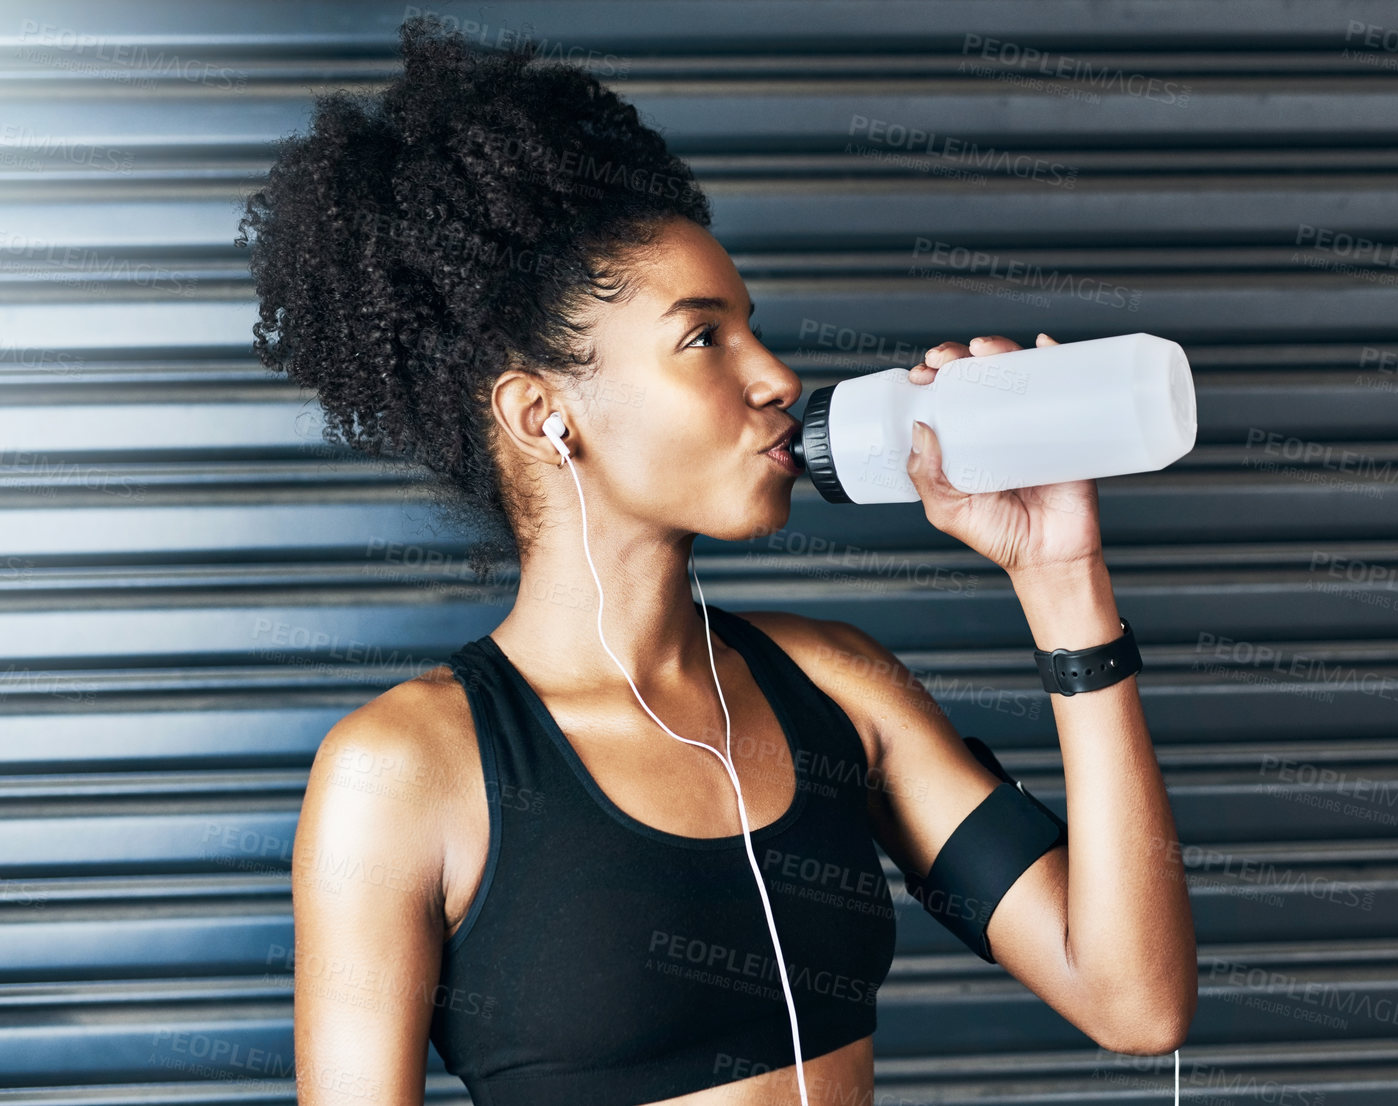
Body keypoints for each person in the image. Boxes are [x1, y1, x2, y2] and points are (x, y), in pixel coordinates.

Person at [239, 15, 1195, 1106]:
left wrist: (1062, 577)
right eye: (704, 337)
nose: (778, 375)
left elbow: (1136, 1000)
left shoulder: (839, 684)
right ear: (540, 411)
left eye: (753, 327)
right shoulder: (403, 769)